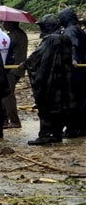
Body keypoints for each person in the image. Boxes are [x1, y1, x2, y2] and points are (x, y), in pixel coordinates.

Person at [23, 14, 73, 145]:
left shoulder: (50, 40)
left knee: (46, 106)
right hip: (64, 80)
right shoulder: (65, 38)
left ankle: (45, 134)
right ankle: (56, 134)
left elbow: (37, 56)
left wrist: (25, 64)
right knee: (60, 106)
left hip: (50, 80)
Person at [58, 7, 86, 138]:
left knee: (72, 99)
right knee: (81, 99)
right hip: (81, 70)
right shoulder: (78, 29)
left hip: (75, 71)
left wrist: (73, 59)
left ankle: (73, 129)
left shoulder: (70, 31)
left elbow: (72, 46)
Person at [2, 20, 28, 128]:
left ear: (11, 24)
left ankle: (14, 121)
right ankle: (5, 120)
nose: (3, 25)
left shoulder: (12, 36)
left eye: (5, 23)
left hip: (13, 68)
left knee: (8, 95)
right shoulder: (22, 34)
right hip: (18, 68)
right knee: (5, 94)